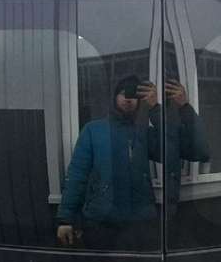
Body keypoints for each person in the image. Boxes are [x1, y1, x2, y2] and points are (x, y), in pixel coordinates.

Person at [56, 75, 209, 249]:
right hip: (100, 223)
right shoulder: (93, 130)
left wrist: (171, 108)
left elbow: (199, 152)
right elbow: (77, 175)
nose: (128, 99)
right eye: (123, 93)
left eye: (134, 95)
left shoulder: (145, 133)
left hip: (140, 226)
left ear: (141, 100)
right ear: (114, 97)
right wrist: (65, 219)